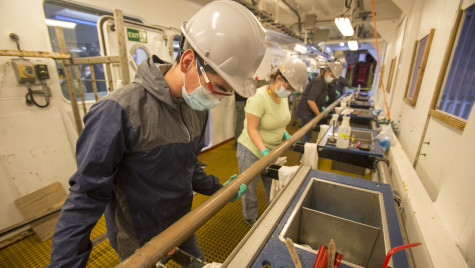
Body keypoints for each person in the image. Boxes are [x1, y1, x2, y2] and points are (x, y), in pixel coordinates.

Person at [48, 1, 266, 267]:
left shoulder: (196, 107)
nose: (220, 99)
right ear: (188, 61)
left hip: (183, 223)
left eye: (228, 92)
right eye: (219, 87)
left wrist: (219, 189)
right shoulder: (118, 111)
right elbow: (86, 197)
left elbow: (188, 165)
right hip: (139, 239)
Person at [236, 58, 308, 226]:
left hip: (272, 152)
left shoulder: (282, 97)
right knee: (249, 190)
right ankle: (250, 219)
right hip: (252, 151)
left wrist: (286, 135)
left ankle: (273, 215)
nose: (289, 92)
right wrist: (264, 152)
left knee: (273, 184)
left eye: (292, 90)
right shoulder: (258, 98)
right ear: (278, 79)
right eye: (288, 87)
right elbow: (252, 129)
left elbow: (280, 122)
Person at [296, 62, 342, 144]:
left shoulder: (323, 82)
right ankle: (303, 154)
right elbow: (310, 100)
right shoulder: (319, 81)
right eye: (332, 76)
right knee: (308, 135)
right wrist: (319, 115)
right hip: (306, 112)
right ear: (327, 71)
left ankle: (304, 152)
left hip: (309, 111)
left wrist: (321, 108)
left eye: (334, 77)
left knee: (308, 134)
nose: (332, 78)